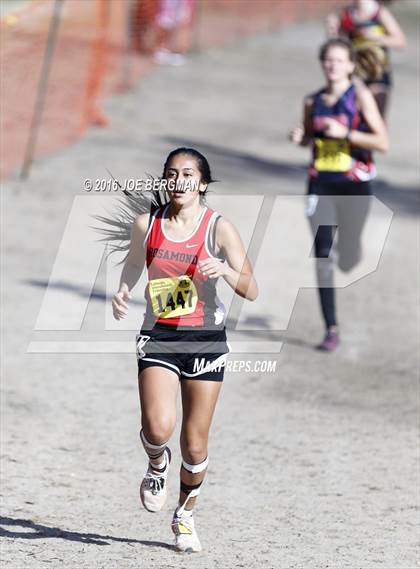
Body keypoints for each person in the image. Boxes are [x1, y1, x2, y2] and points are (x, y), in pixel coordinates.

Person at [111, 148, 258, 552]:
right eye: (172, 174)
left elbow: (252, 288)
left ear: (203, 184)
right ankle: (157, 464)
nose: (179, 181)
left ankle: (185, 515)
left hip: (206, 341)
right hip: (159, 335)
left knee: (194, 444)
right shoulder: (147, 224)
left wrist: (225, 270)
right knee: (158, 428)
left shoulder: (219, 229)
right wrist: (123, 289)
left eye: (188, 174)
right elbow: (133, 262)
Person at [289, 38, 388, 351]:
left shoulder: (359, 97)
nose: (332, 66)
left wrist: (346, 133)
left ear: (350, 65)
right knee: (322, 256)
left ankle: (352, 248)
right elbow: (308, 138)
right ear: (323, 64)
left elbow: (382, 142)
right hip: (320, 184)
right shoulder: (312, 101)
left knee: (347, 258)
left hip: (354, 185)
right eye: (327, 60)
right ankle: (331, 328)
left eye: (338, 60)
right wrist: (300, 137)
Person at [326, 0, 406, 117]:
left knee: (376, 118)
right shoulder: (346, 14)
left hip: (378, 73)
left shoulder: (379, 13)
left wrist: (377, 37)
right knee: (353, 118)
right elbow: (338, 45)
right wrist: (332, 30)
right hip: (355, 74)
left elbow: (401, 42)